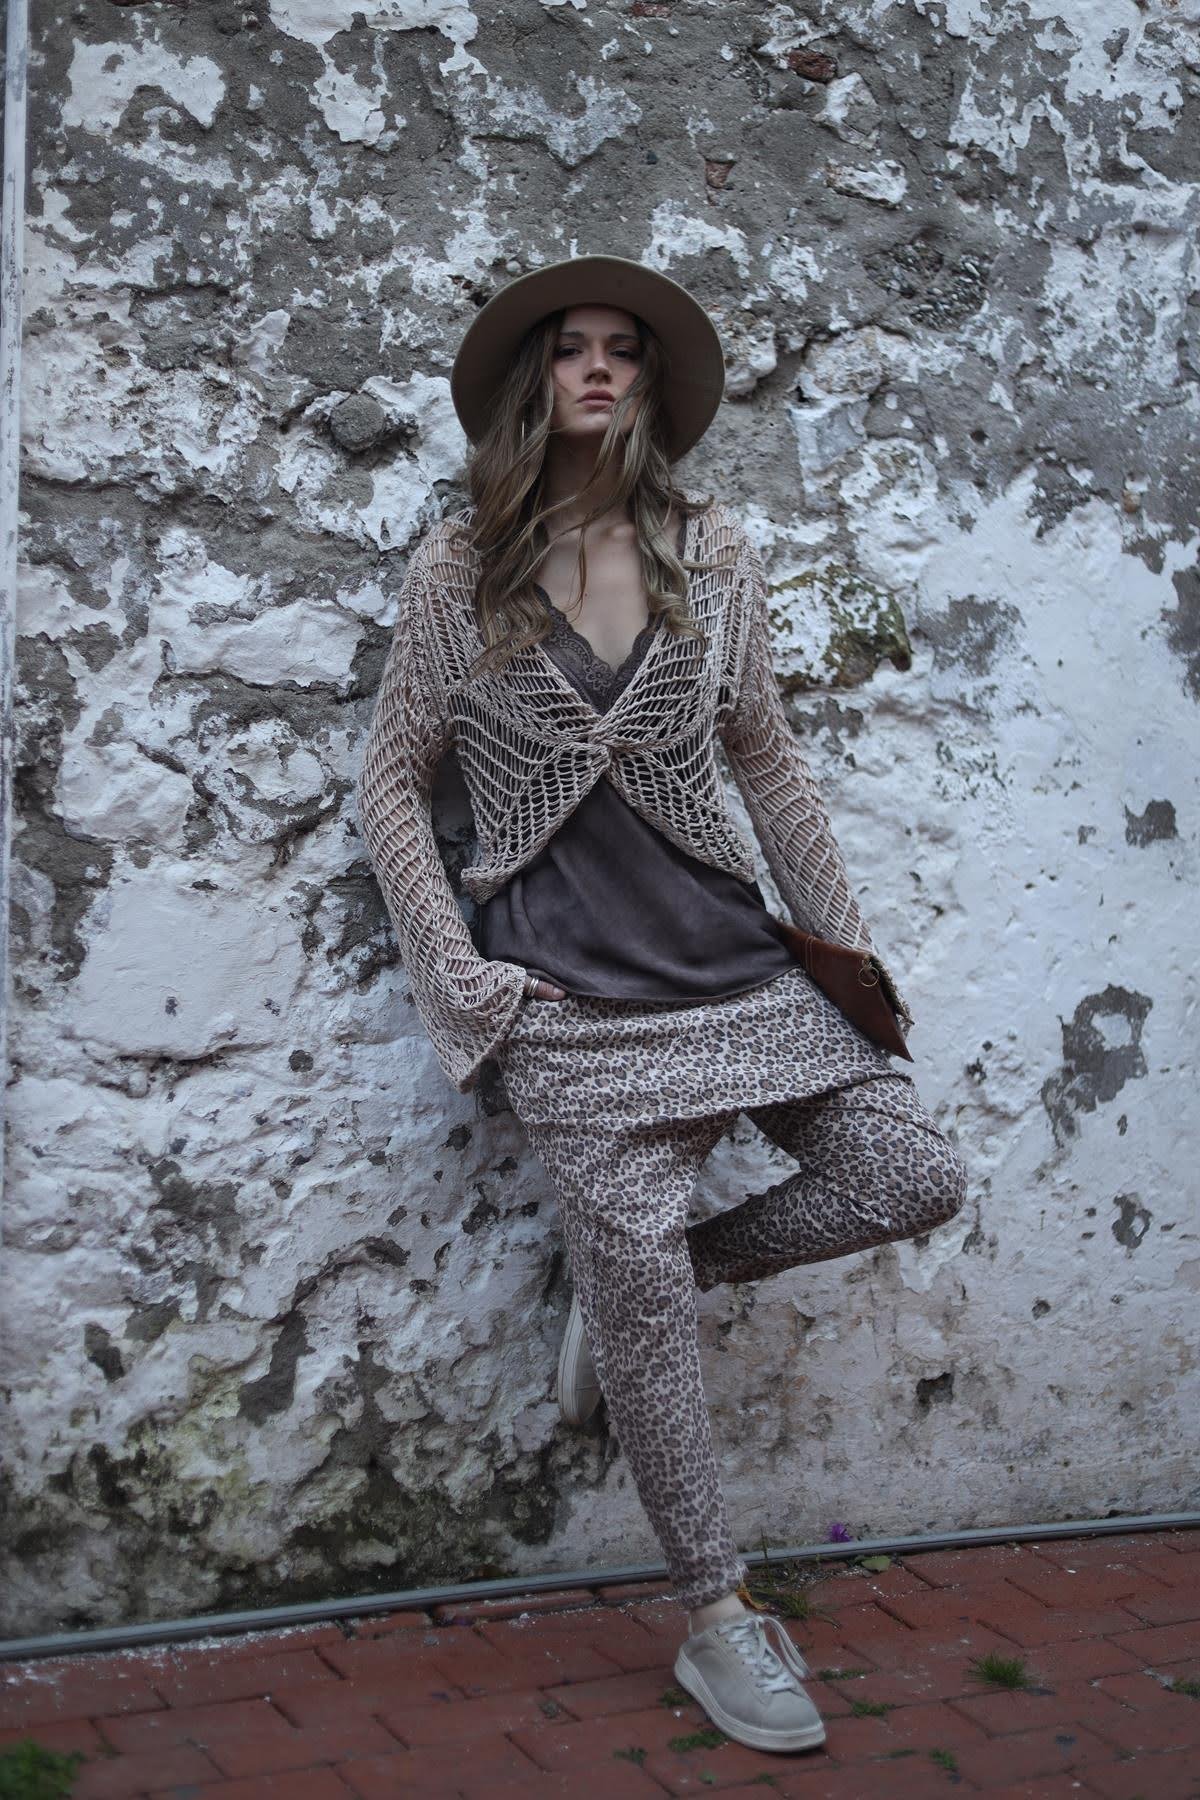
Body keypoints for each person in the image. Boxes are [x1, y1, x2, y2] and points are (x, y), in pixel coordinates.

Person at [355, 253, 968, 1756]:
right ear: (533, 378)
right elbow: (391, 786)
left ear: (649, 381)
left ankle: (654, 1285)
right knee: (630, 1291)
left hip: (730, 962)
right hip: (567, 1000)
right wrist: (461, 975)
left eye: (623, 349)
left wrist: (848, 957)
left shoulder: (712, 548)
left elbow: (766, 759)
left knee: (911, 1172)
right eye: (570, 347)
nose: (597, 367)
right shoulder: (460, 568)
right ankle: (715, 1615)